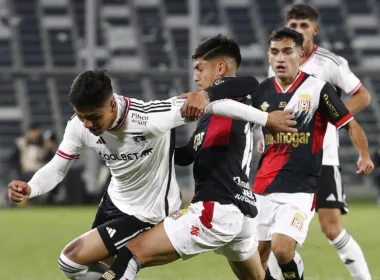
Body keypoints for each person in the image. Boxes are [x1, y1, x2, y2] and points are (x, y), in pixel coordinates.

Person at [8, 68, 295, 279]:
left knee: (70, 261)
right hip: (114, 203)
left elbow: (217, 104)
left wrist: (266, 118)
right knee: (86, 267)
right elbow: (58, 167)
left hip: (148, 211)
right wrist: (32, 188)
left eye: (93, 117)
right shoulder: (78, 125)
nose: (87, 124)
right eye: (81, 116)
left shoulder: (150, 117)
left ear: (112, 104)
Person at [97, 34, 290, 280]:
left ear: (220, 68)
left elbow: (248, 82)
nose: (195, 75)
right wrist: (145, 148)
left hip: (216, 209)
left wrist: (206, 95)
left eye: (200, 68)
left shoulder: (235, 96)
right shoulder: (210, 112)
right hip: (238, 213)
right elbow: (187, 155)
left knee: (129, 255)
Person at [251, 27, 373, 280]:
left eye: (287, 52)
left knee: (282, 249)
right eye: (274, 52)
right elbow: (243, 128)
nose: (280, 58)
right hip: (264, 184)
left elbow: (349, 123)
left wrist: (364, 154)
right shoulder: (260, 91)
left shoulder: (318, 89)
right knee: (256, 260)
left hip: (301, 187)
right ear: (268, 56)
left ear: (300, 54)